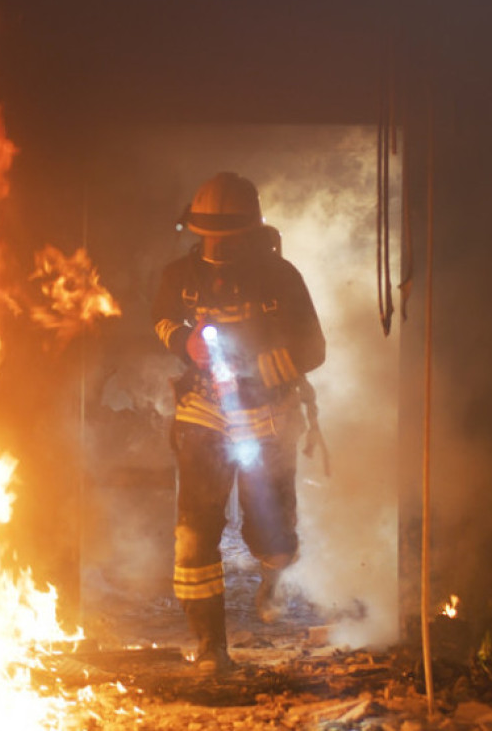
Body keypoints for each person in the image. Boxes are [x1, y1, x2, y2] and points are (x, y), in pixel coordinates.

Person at [152, 171, 326, 674]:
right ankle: (211, 647)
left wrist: (280, 360)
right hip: (203, 411)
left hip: (269, 418)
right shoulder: (177, 277)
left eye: (229, 239)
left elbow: (315, 346)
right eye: (209, 238)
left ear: (252, 232)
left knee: (268, 531)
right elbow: (162, 320)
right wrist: (183, 341)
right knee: (194, 533)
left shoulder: (283, 278)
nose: (219, 250)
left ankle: (273, 573)